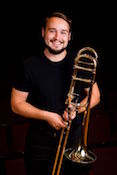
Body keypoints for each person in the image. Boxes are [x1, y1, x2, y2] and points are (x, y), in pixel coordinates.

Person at [10, 12, 100, 175]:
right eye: (52, 30)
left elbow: (96, 96)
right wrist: (47, 116)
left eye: (63, 32)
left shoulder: (79, 61)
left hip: (73, 141)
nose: (57, 37)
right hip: (39, 145)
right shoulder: (29, 65)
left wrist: (77, 109)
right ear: (43, 32)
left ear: (70, 36)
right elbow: (16, 104)